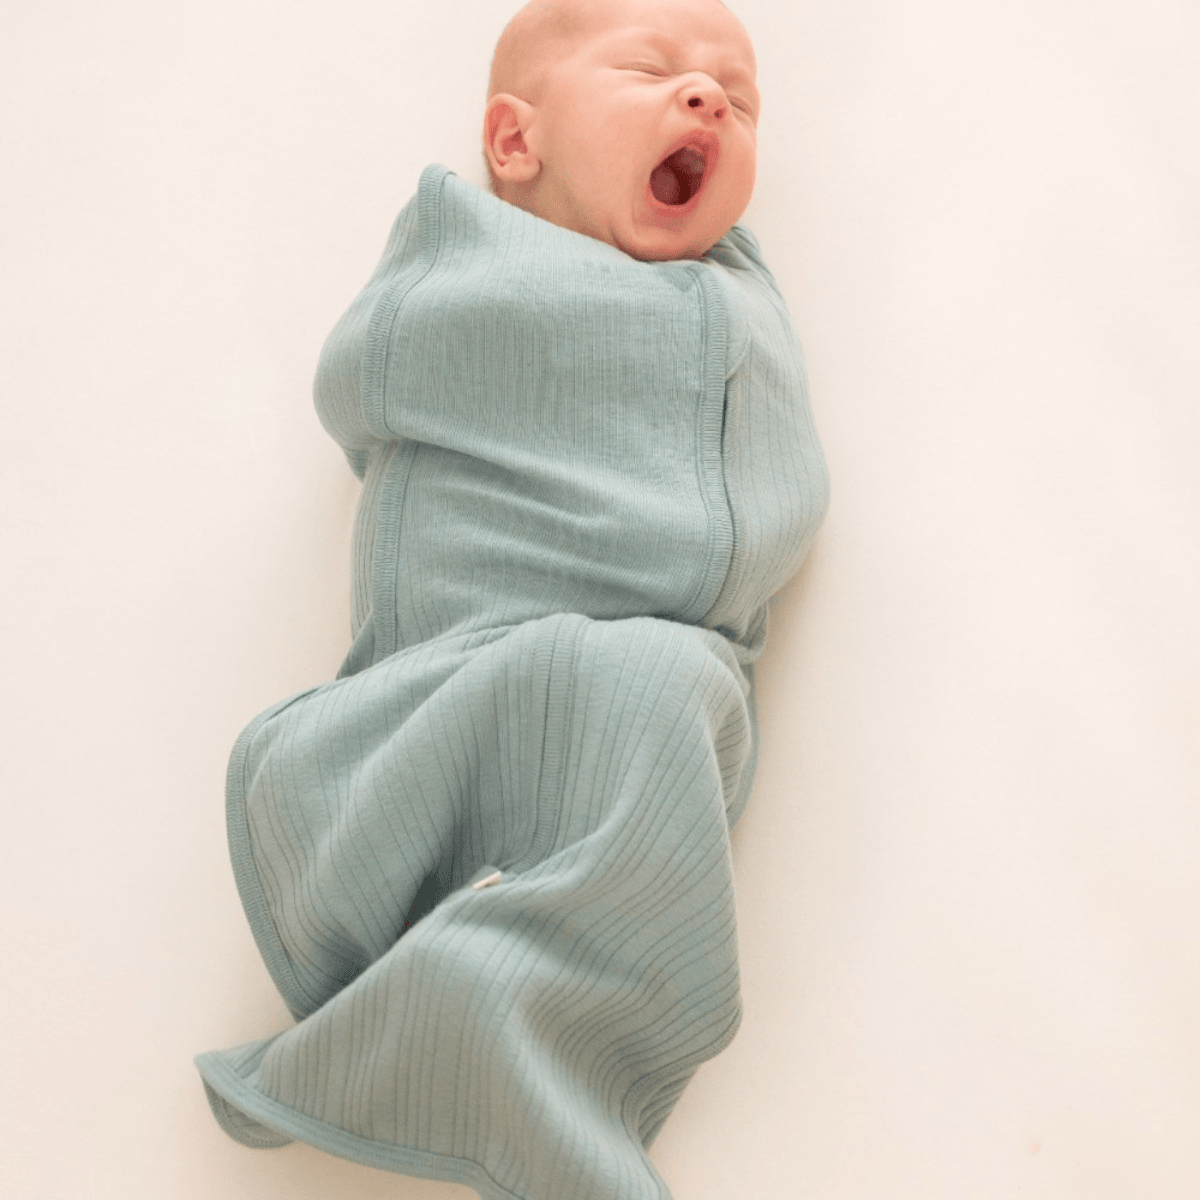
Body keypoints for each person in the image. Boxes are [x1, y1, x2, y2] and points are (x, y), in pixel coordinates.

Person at [195, 2, 829, 1197]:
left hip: (660, 679)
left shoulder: (739, 304)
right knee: (623, 698)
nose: (704, 102)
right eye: (652, 71)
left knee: (650, 716)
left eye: (737, 102)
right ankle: (506, 1066)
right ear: (513, 141)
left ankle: (479, 1012)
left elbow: (777, 497)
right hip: (466, 664)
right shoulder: (464, 275)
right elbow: (379, 380)